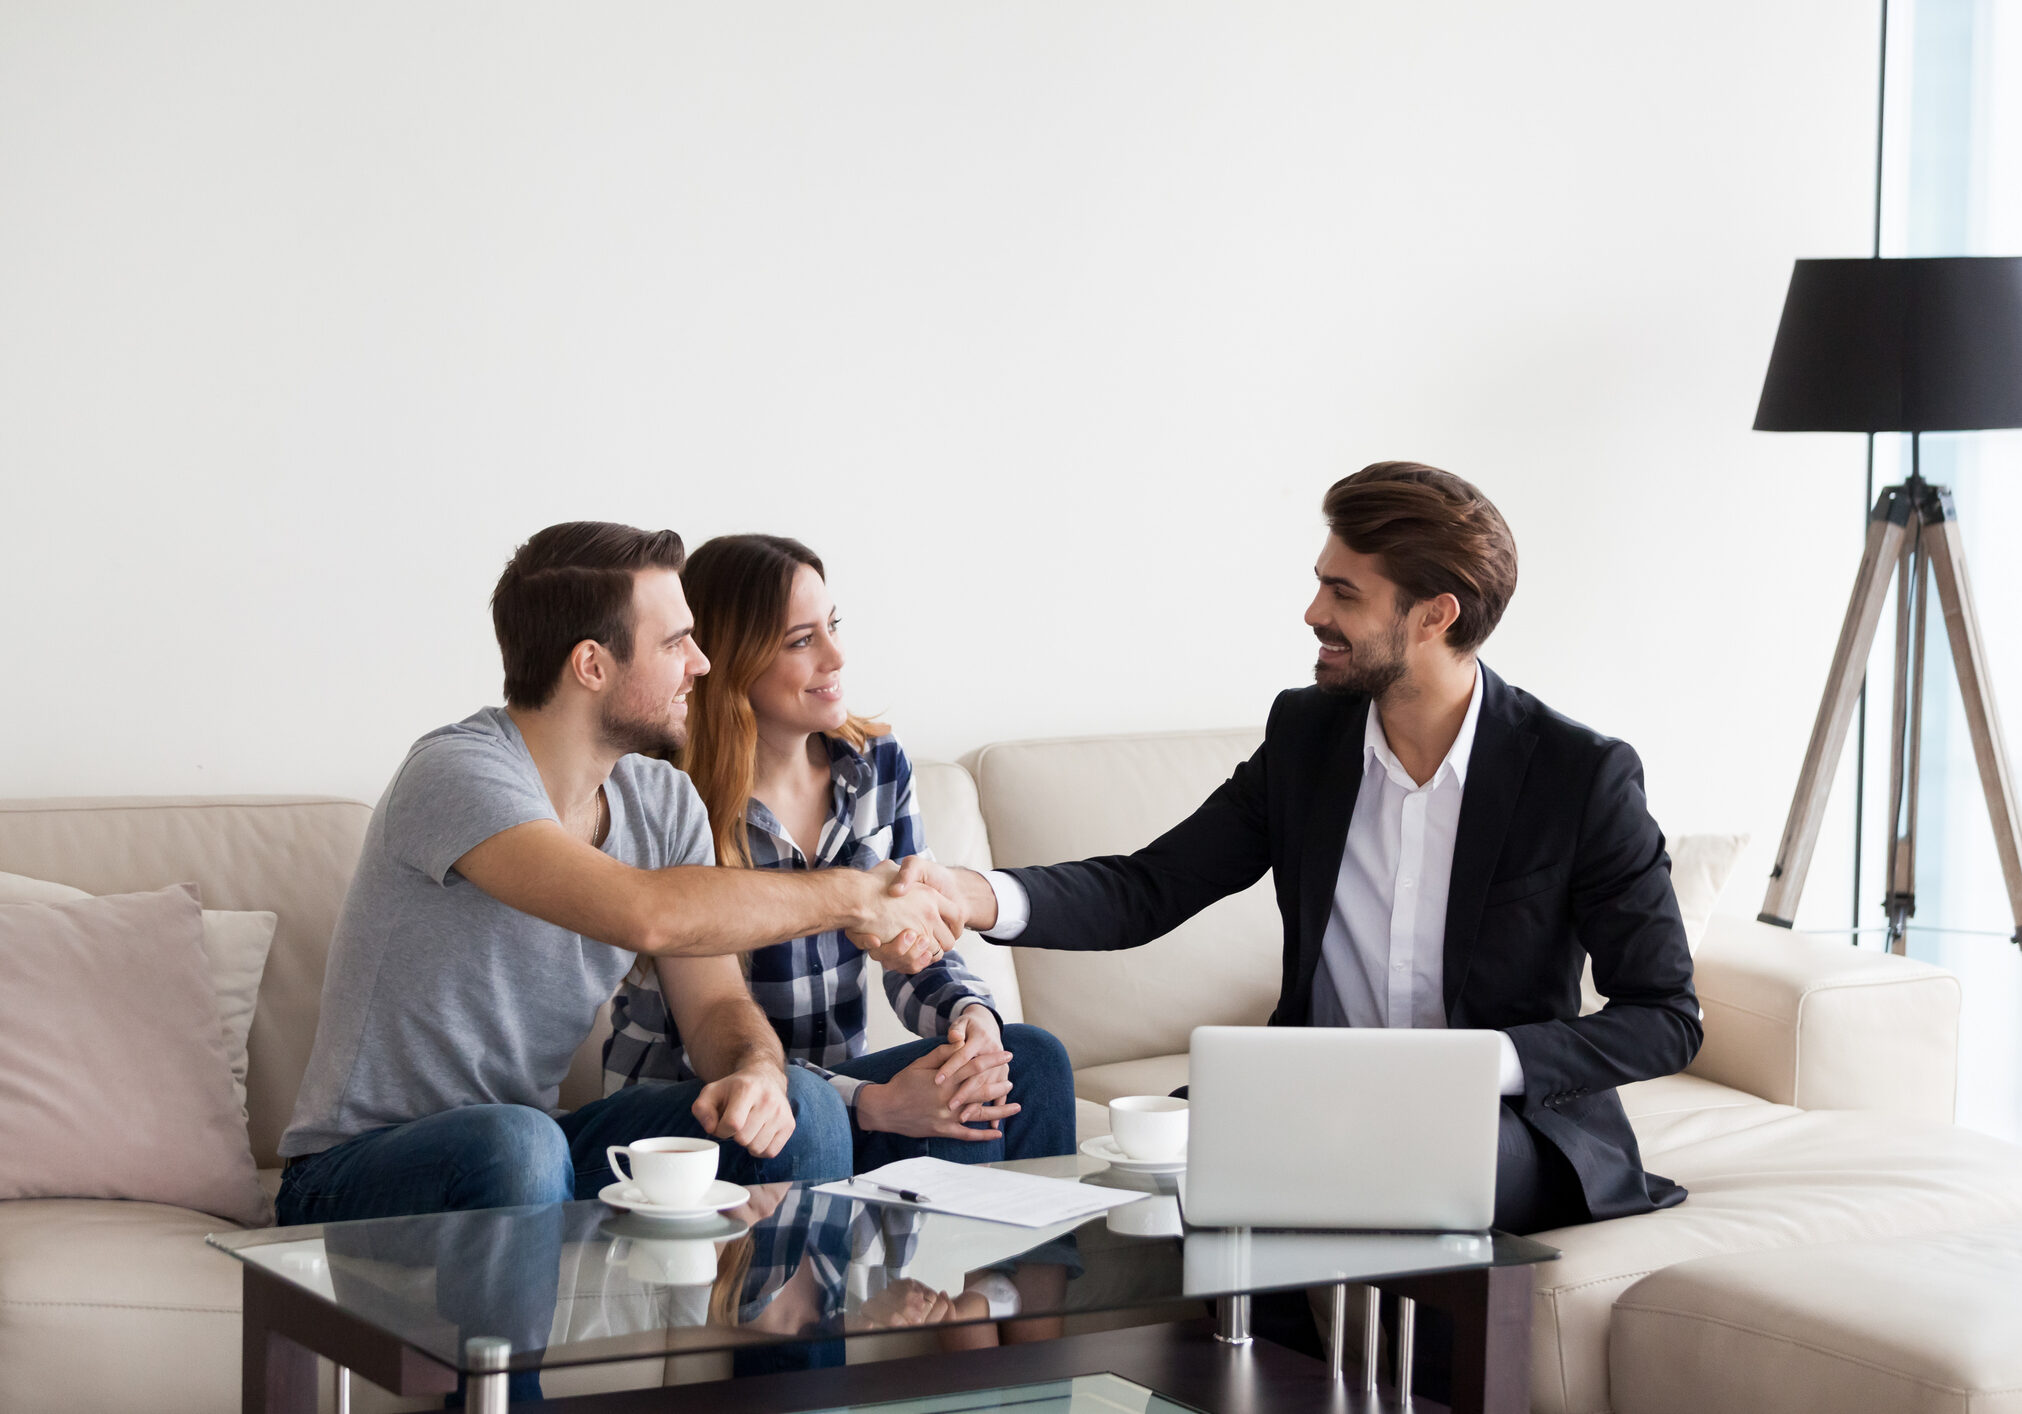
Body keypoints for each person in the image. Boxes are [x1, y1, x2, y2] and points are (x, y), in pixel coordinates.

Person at [906, 462, 1702, 1236]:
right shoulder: (1307, 738)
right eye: (1321, 582)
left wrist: (1479, 1065)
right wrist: (968, 894)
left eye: (1344, 593)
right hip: (1314, 1101)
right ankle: (1235, 1368)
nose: (1314, 611)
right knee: (1160, 1169)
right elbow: (1149, 887)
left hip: (1501, 1122)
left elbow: (1665, 1017)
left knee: (1399, 1164)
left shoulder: (1577, 776)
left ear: (1435, 616)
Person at [277, 521, 963, 1234]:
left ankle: (798, 1346)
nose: (701, 664)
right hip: (354, 1171)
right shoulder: (458, 773)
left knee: (802, 1105)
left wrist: (754, 1066)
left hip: (535, 1149)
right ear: (592, 666)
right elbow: (644, 913)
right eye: (674, 645)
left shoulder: (661, 801)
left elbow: (713, 1007)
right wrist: (856, 896)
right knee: (518, 1141)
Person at [604, 533, 1076, 1175]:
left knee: (1028, 1063)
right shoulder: (667, 797)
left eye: (832, 626)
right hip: (706, 1107)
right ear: (732, 661)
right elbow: (706, 1035)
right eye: (802, 641)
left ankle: (1003, 1281)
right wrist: (872, 1103)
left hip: (836, 1089)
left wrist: (970, 1025)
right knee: (836, 1107)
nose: (837, 655)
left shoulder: (876, 766)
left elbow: (920, 950)